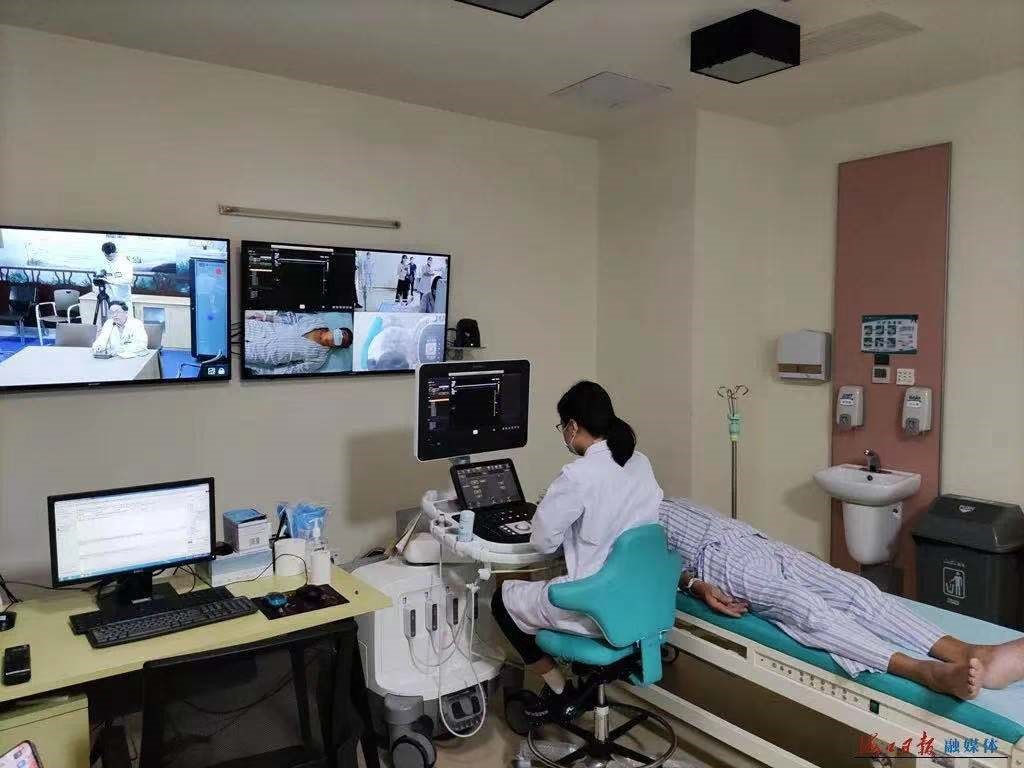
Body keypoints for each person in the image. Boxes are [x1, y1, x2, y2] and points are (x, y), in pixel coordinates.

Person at [661, 498, 1024, 700]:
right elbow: (644, 568)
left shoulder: (655, 492)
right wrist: (694, 584)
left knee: (857, 589)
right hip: (717, 562)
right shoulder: (627, 521)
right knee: (804, 607)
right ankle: (924, 671)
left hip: (757, 541)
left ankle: (968, 651)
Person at [492, 381, 663, 721]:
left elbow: (543, 542)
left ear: (572, 426)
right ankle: (576, 680)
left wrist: (548, 513)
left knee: (502, 600)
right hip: (643, 601)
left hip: (597, 608)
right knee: (553, 584)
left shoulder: (577, 475)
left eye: (562, 427)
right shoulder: (640, 462)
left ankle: (561, 692)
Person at [244, 312, 352, 375]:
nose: (340, 337)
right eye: (342, 334)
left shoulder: (319, 359)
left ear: (338, 346)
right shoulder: (317, 322)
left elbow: (292, 370)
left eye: (342, 340)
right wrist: (266, 317)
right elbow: (291, 318)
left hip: (264, 354)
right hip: (261, 329)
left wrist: (264, 372)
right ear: (337, 329)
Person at [98, 241, 134, 314]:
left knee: (126, 319)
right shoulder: (102, 263)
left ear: (115, 252)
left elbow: (128, 279)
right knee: (112, 319)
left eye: (110, 256)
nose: (108, 258)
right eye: (106, 256)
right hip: (110, 300)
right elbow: (98, 277)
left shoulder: (125, 262)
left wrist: (111, 281)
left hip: (124, 299)